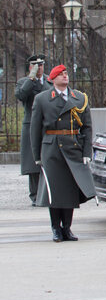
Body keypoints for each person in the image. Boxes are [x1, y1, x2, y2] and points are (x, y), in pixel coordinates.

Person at [29, 64, 96, 242]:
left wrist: (86, 151)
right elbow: (35, 130)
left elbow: (87, 127)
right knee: (55, 192)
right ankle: (55, 229)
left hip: (72, 148)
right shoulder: (42, 99)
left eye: (66, 74)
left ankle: (67, 228)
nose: (65, 76)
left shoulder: (79, 98)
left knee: (70, 191)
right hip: (51, 149)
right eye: (60, 74)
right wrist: (37, 156)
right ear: (52, 79)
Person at [16, 54, 49, 205]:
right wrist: (31, 79)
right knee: (33, 162)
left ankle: (48, 193)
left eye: (41, 65)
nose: (39, 68)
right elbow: (21, 96)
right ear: (30, 67)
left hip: (47, 126)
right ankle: (35, 195)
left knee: (49, 160)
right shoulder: (24, 82)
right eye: (36, 65)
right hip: (31, 125)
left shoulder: (50, 80)